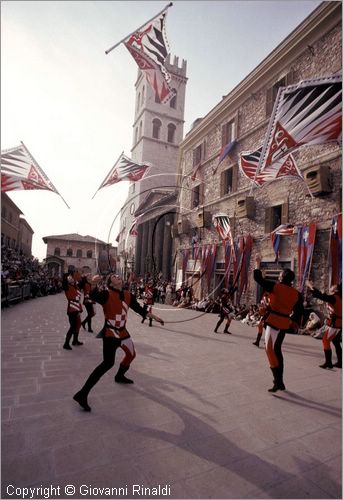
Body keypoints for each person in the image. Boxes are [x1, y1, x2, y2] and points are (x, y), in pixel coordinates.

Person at [73, 273, 164, 412]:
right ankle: (82, 394)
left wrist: (155, 317)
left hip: (123, 332)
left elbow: (140, 310)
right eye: (114, 276)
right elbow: (93, 295)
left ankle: (120, 375)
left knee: (131, 354)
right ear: (110, 283)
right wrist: (93, 284)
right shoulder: (106, 294)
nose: (118, 276)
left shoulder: (127, 295)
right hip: (111, 333)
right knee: (107, 363)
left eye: (118, 275)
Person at [254, 256, 304, 392]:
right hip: (284, 323)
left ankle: (277, 381)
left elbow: (258, 279)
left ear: (282, 278)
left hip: (274, 322)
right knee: (277, 350)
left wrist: (258, 264)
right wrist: (292, 321)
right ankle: (280, 381)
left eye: (280, 275)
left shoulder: (276, 287)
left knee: (269, 350)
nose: (279, 276)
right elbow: (299, 310)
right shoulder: (297, 294)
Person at [306, 280, 342, 369]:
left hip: (335, 324)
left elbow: (320, 296)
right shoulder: (337, 297)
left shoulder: (335, 298)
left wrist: (310, 286)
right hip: (338, 323)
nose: (331, 286)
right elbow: (323, 296)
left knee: (325, 340)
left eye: (333, 285)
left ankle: (328, 363)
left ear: (336, 290)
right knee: (336, 342)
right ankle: (340, 362)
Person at [62, 270, 83, 350]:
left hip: (77, 307)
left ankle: (75, 340)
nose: (71, 278)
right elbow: (64, 281)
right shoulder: (67, 286)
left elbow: (80, 281)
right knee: (73, 326)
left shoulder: (75, 286)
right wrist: (66, 276)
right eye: (70, 277)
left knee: (78, 324)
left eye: (72, 277)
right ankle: (66, 343)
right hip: (72, 308)